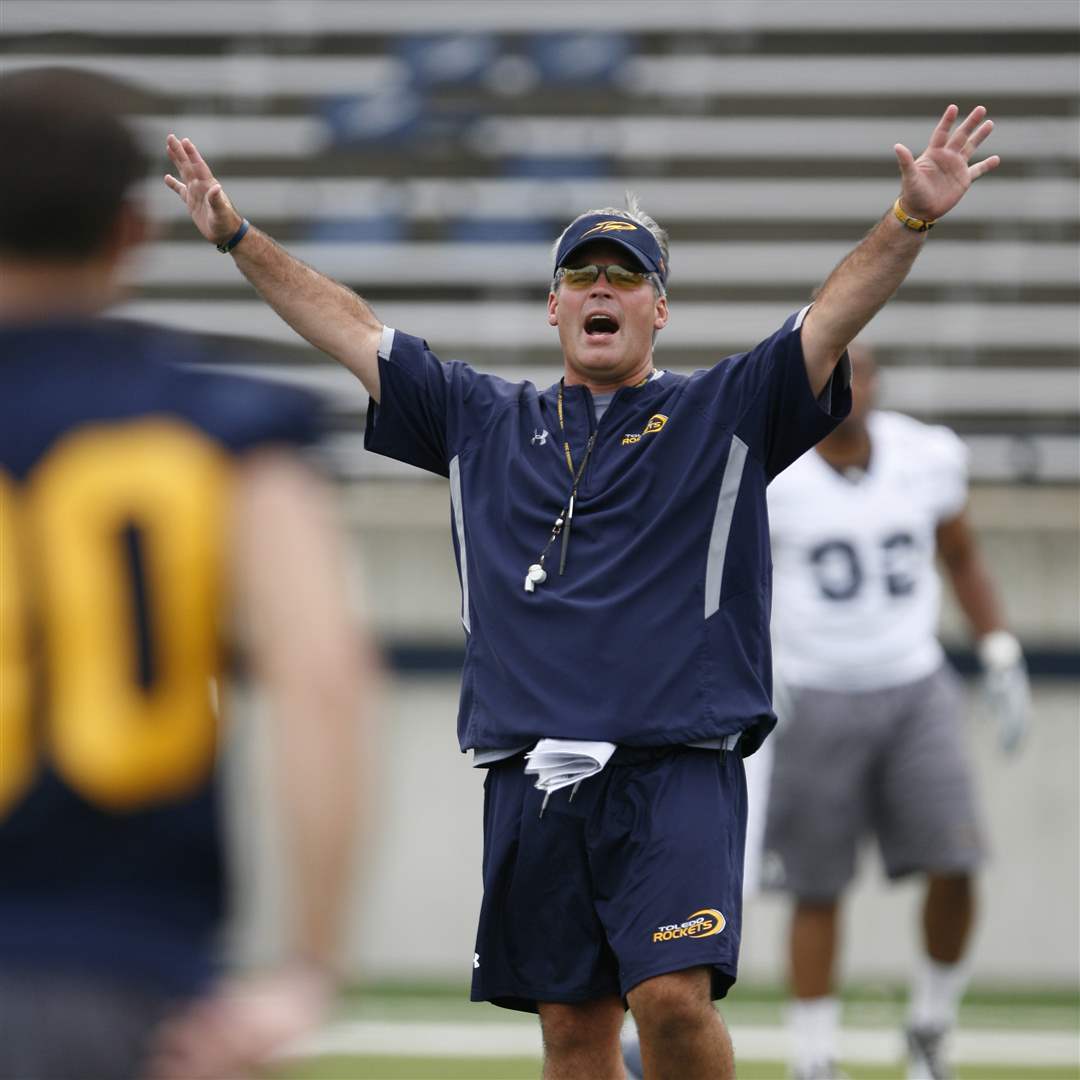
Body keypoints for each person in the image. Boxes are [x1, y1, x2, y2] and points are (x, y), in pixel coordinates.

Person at [165, 102, 999, 1080]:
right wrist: (235, 236)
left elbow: (834, 315)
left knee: (673, 1001)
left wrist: (909, 220)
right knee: (572, 1029)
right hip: (531, 774)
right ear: (554, 307)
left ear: (659, 308)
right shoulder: (481, 418)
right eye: (582, 275)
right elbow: (348, 327)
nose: (603, 288)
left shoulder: (721, 412)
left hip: (674, 767)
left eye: (626, 276)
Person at [0, 68, 374, 1080]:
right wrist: (309, 964)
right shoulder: (221, 427)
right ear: (132, 233)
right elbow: (323, 675)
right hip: (129, 977)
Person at [760, 346, 1030, 1080]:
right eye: (834, 373)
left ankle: (930, 1028)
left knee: (958, 860)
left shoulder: (926, 455)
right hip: (812, 690)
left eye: (863, 371)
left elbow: (962, 554)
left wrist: (998, 646)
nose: (850, 387)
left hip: (914, 683)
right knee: (815, 885)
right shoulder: (771, 471)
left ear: (878, 382)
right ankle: (814, 1058)